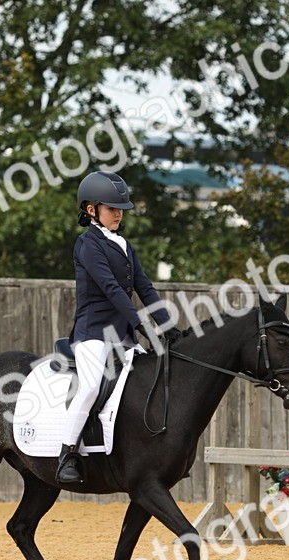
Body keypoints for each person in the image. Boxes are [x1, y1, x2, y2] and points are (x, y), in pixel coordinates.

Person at [57, 170, 182, 484]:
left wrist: (168, 327)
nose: (118, 214)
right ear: (91, 210)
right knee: (88, 388)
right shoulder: (87, 244)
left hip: (122, 335)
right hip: (94, 333)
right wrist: (140, 324)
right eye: (112, 209)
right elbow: (111, 289)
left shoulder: (124, 245)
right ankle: (67, 454)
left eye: (120, 209)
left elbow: (146, 288)